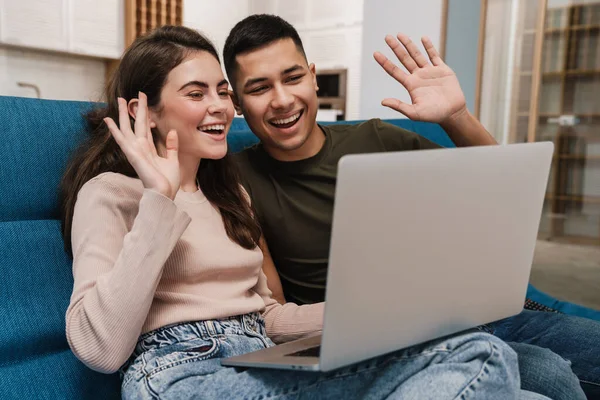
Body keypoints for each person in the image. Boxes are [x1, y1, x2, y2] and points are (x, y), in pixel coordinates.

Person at [59, 25, 539, 400]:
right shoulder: (112, 193)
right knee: (481, 358)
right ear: (145, 111)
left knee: (490, 363)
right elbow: (99, 347)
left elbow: (266, 317)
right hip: (178, 375)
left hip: (260, 359)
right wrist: (158, 201)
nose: (220, 107)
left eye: (223, 92)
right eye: (195, 93)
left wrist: (381, 317)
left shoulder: (228, 193)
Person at [224, 14, 596, 399]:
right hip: (374, 345)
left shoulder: (375, 137)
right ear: (236, 102)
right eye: (259, 88)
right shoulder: (237, 178)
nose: (282, 99)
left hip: (466, 313)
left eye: (293, 77)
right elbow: (276, 311)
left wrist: (456, 118)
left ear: (313, 76)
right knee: (552, 376)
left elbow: (502, 190)